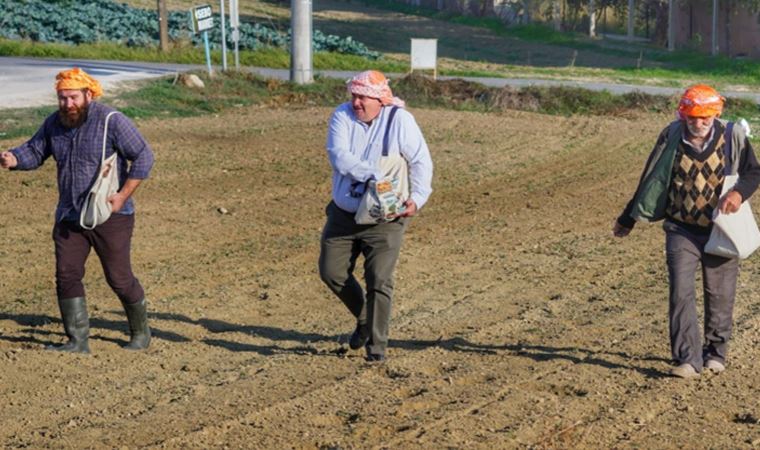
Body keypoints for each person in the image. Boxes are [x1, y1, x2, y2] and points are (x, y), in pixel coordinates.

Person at [0, 68, 155, 354]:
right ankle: (77, 340)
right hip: (70, 216)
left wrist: (122, 196)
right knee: (67, 275)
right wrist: (13, 158)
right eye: (62, 98)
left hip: (111, 215)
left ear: (88, 94)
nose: (67, 104)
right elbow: (35, 151)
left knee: (119, 278)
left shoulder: (111, 121)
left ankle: (140, 332)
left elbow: (144, 155)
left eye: (72, 97)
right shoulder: (54, 123)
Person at [614, 84, 760, 378]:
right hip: (680, 228)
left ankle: (715, 353)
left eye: (705, 118)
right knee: (680, 292)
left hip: (721, 228)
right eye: (692, 117)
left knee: (719, 294)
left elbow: (753, 172)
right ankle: (687, 359)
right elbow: (651, 178)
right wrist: (628, 218)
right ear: (683, 115)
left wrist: (738, 194)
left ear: (716, 114)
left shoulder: (733, 136)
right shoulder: (671, 136)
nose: (698, 123)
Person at [319, 70, 433, 362]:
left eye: (363, 97)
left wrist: (418, 198)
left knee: (379, 279)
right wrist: (374, 176)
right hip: (344, 214)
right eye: (354, 96)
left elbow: (420, 160)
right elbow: (338, 155)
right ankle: (365, 320)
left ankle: (377, 348)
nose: (356, 102)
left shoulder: (400, 121)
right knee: (332, 272)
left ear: (380, 100)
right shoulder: (342, 117)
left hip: (386, 218)